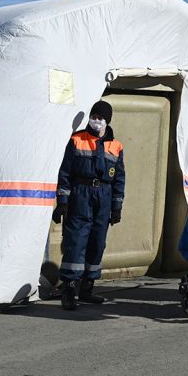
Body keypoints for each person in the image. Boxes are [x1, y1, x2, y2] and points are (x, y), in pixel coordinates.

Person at [52, 100, 125, 311]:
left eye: (100, 117)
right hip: (80, 195)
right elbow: (64, 174)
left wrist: (116, 206)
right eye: (94, 116)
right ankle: (69, 289)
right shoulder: (76, 140)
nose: (96, 120)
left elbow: (119, 178)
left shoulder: (116, 146)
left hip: (104, 196)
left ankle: (87, 288)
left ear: (107, 121)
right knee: (76, 241)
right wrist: (63, 202)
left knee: (97, 242)